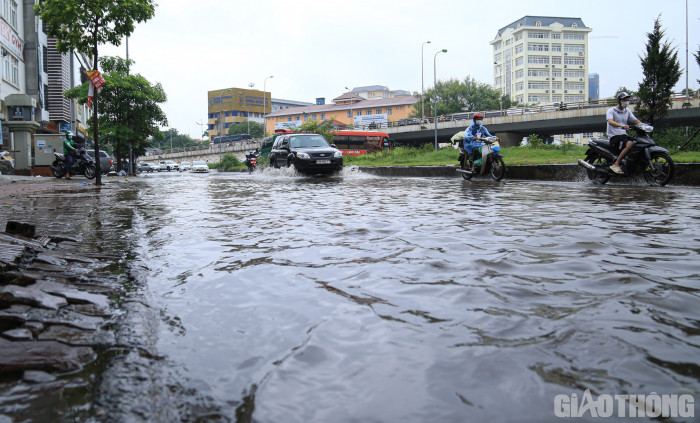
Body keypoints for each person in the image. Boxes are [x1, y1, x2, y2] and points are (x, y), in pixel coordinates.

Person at [606, 92, 641, 174]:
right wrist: (621, 125)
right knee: (629, 144)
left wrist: (644, 126)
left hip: (624, 135)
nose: (626, 102)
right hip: (614, 136)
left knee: (638, 143)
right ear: (619, 100)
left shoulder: (627, 111)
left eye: (628, 100)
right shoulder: (611, 111)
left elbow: (635, 120)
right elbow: (610, 121)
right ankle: (616, 164)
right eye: (625, 100)